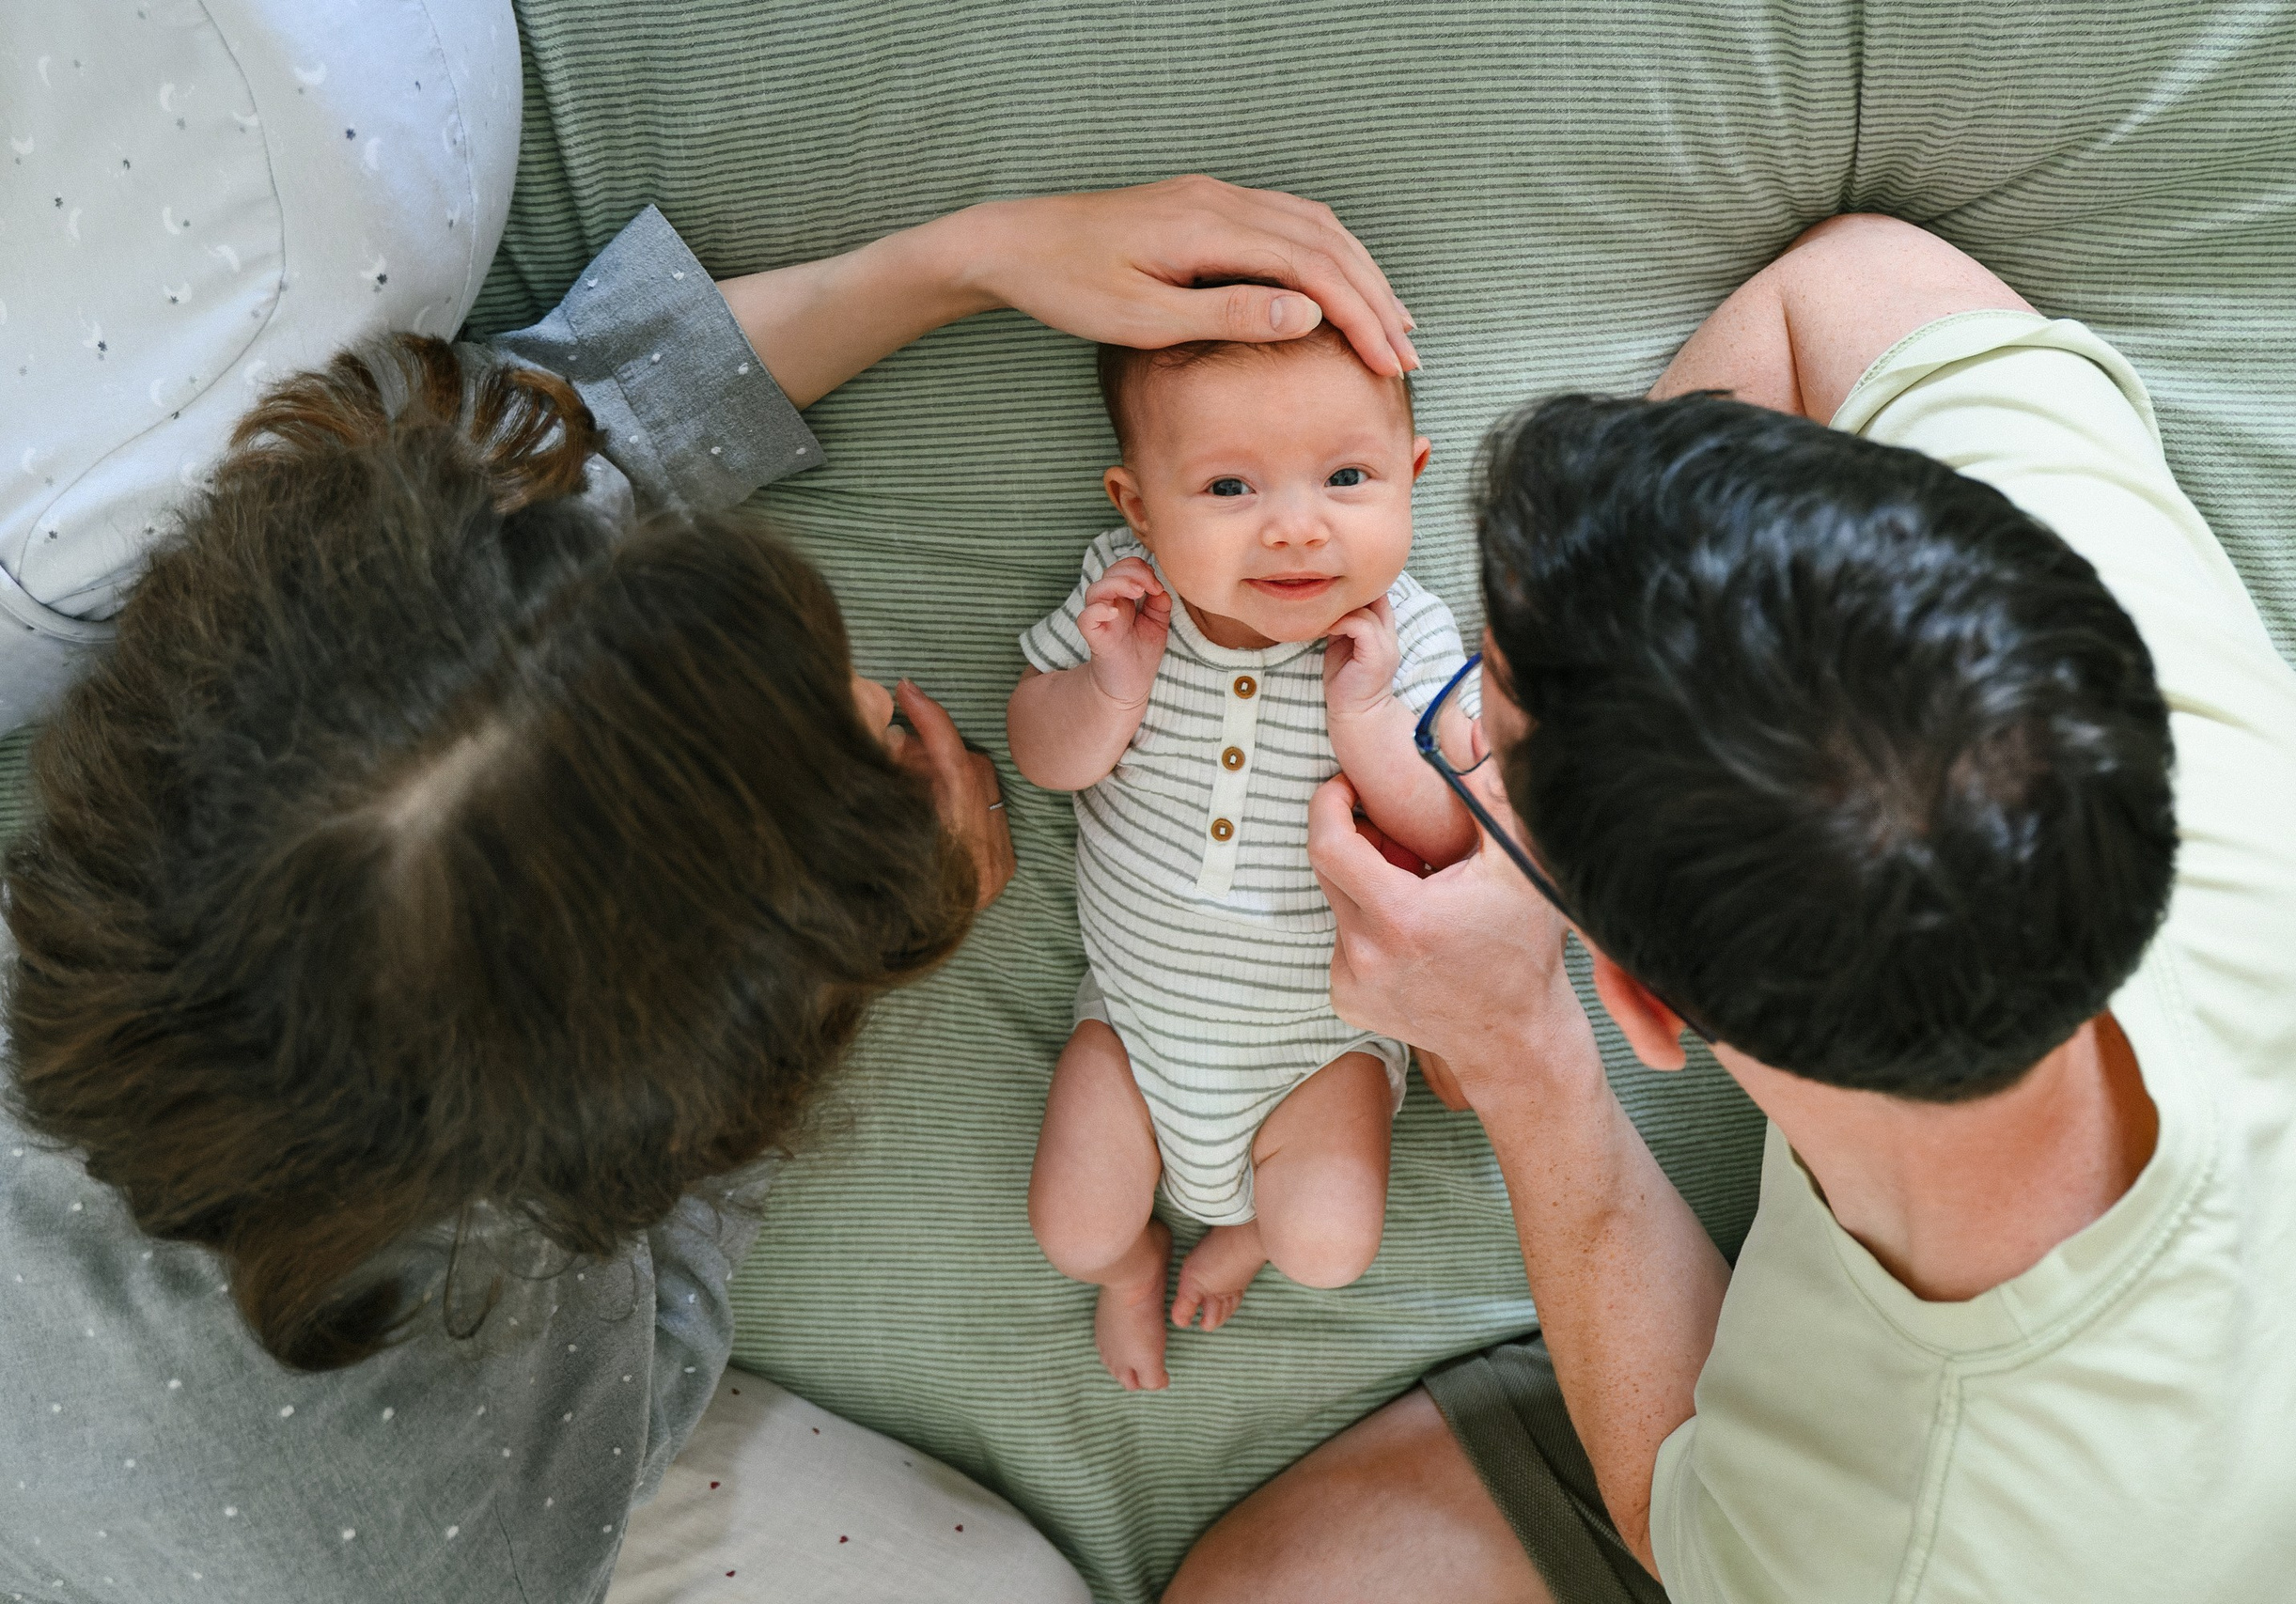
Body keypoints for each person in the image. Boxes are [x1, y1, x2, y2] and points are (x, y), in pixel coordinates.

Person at [0, 167, 1417, 1603]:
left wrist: (962, 257)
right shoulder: (475, 1507)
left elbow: (538, 471)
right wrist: (870, 928)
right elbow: (666, 1300)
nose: (874, 685)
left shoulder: (251, 692)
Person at [1167, 212, 2296, 1602]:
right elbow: (1850, 283)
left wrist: (1523, 1054)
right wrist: (1609, 615)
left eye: (1481, 729)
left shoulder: (1882, 1553)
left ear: (1641, 997)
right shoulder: (2125, 630)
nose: (1455, 736)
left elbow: (1673, 1507)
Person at [1009, 324, 1474, 1391]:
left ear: (1410, 478)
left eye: (1347, 477)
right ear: (1137, 507)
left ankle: (1256, 1236)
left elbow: (1452, 833)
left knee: (1327, 1247)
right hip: (1134, 1025)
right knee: (1074, 1232)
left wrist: (1366, 724)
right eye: (1228, 488)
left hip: (1320, 1047)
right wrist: (1108, 690)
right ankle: (1133, 1269)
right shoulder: (1127, 603)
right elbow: (1041, 753)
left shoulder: (1410, 639)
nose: (1297, 530)